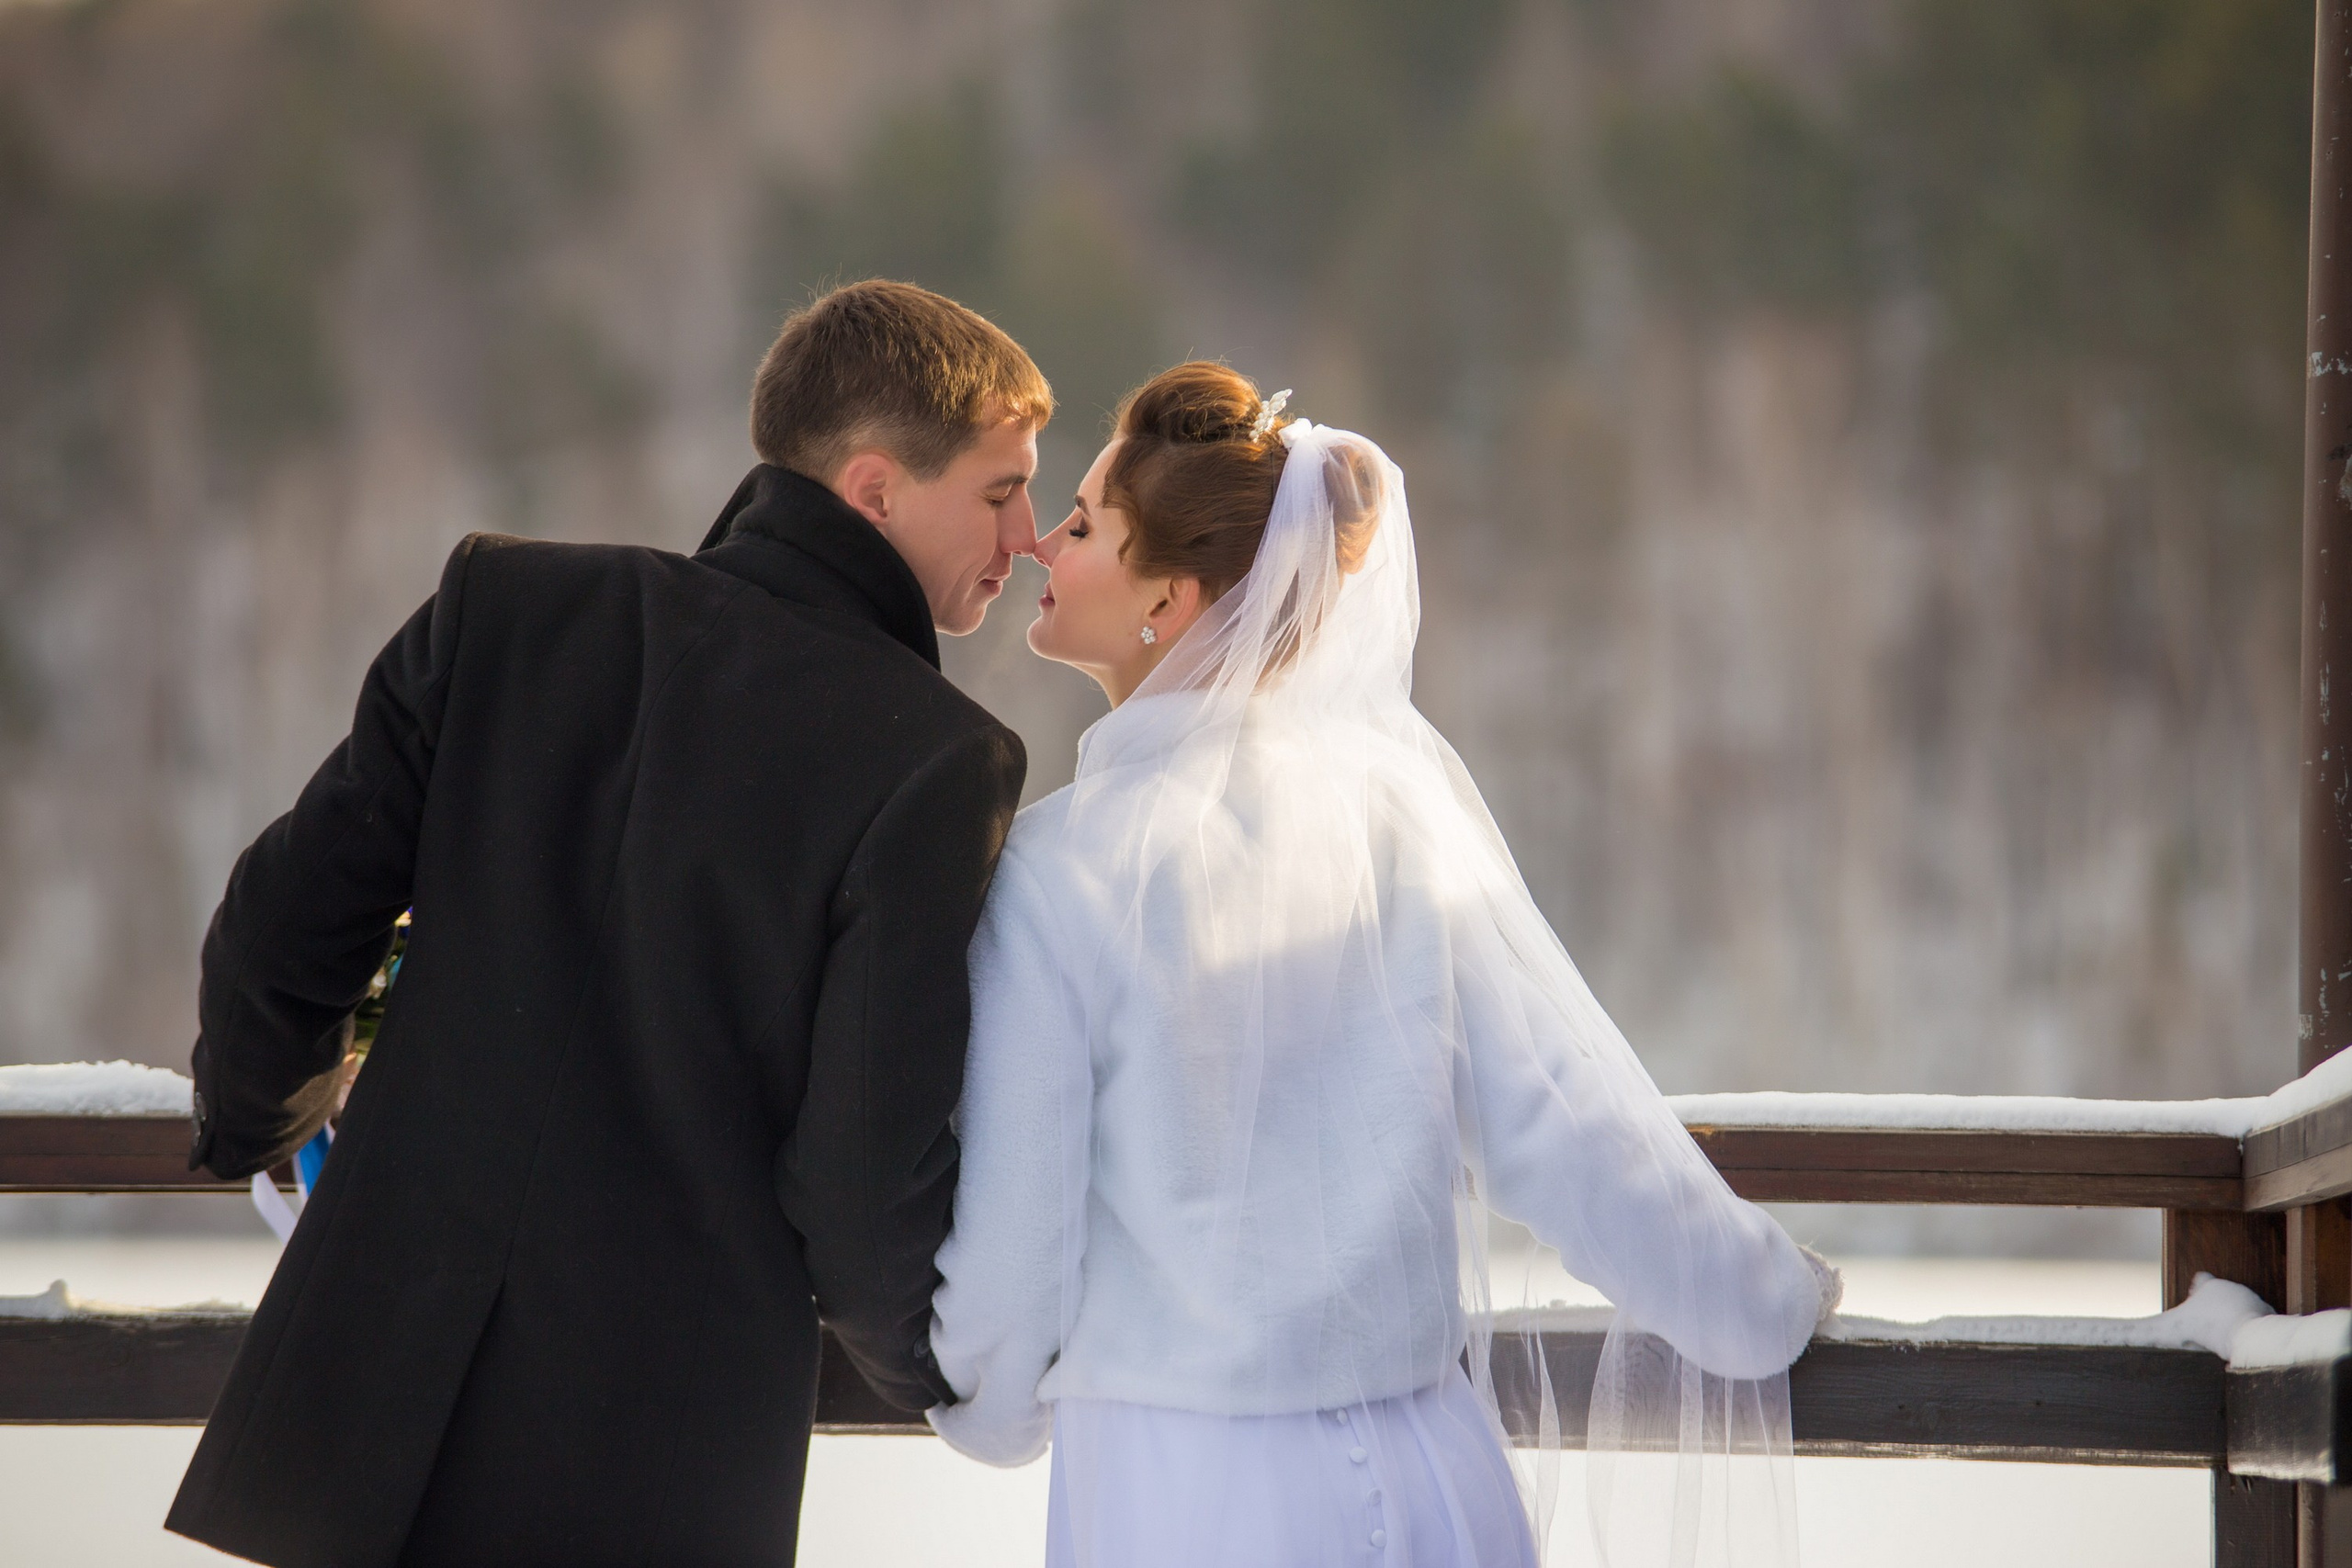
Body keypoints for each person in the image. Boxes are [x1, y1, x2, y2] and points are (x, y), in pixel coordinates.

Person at [167, 280, 1041, 1568]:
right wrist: (949, 1379)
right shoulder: (937, 762)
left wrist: (278, 1136)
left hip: (370, 1412)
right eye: (999, 489)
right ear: (872, 491)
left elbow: (280, 927)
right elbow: (859, 1184)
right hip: (658, 1457)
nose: (1025, 534)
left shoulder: (506, 611)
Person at [927, 363, 1842, 1567]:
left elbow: (1018, 1245)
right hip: (1427, 1471)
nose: (1044, 542)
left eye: (1087, 525)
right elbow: (1557, 1124)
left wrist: (988, 1411)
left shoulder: (1055, 873)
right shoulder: (1391, 829)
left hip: (1190, 1491)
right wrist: (1754, 1298)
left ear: (1173, 597)